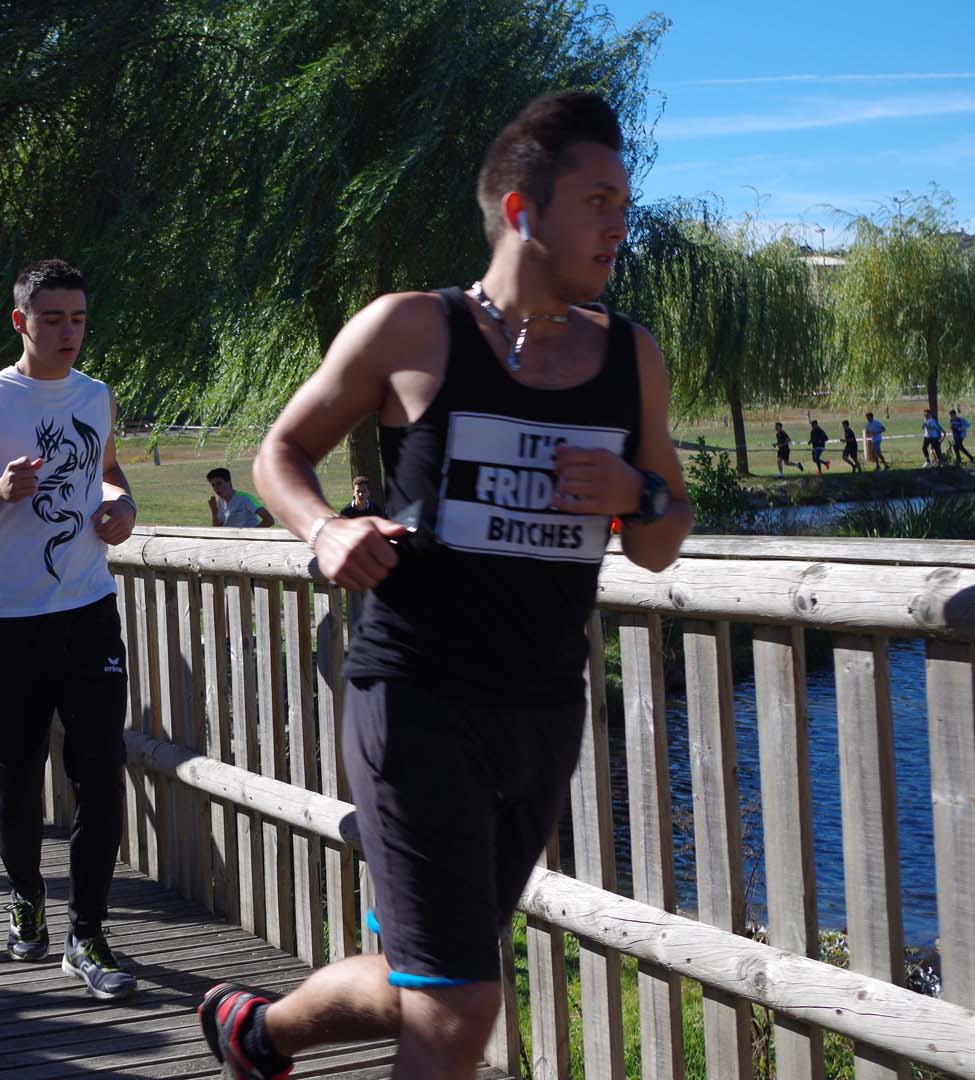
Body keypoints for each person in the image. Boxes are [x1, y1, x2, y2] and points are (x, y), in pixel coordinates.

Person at [198, 92, 691, 1078]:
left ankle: (255, 1032)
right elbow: (280, 452)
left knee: (422, 981)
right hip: (414, 692)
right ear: (519, 210)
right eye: (595, 203)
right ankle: (265, 1031)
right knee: (461, 999)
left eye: (622, 205)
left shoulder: (626, 354)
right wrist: (325, 528)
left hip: (542, 706)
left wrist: (633, 492)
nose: (617, 227)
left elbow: (660, 542)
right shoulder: (412, 329)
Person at [0, 258, 140, 1002]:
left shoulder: (96, 394)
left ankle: (87, 933)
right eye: (52, 318)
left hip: (88, 608)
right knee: (16, 778)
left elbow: (110, 472)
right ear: (21, 322)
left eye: (78, 318)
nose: (68, 332)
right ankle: (24, 895)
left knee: (100, 772)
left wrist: (121, 506)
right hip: (12, 616)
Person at [208, 467, 274, 527]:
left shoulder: (245, 498)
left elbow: (269, 520)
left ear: (229, 482)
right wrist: (214, 511)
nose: (216, 488)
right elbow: (217, 529)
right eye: (213, 485)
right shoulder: (219, 502)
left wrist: (250, 535)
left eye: (219, 483)